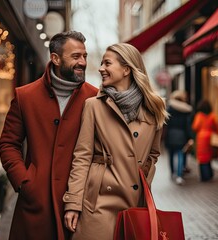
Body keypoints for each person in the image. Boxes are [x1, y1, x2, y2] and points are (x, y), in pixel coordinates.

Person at [0, 31, 98, 240]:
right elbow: (8, 143)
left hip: (80, 206)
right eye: (76, 56)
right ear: (55, 58)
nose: (83, 62)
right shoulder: (25, 96)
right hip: (35, 205)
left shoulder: (95, 97)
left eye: (85, 56)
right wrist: (25, 182)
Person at [63, 43, 168, 240]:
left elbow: (153, 153)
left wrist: (144, 173)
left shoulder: (154, 107)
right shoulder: (93, 106)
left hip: (135, 202)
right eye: (102, 63)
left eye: (107, 63)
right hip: (98, 201)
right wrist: (73, 203)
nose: (101, 68)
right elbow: (82, 156)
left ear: (126, 69)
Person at [164, 90, 193, 184]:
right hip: (182, 135)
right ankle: (179, 175)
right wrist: (190, 137)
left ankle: (172, 172)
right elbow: (188, 125)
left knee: (171, 155)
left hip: (170, 134)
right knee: (181, 154)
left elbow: (165, 124)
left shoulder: (169, 109)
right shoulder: (186, 110)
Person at [192, 99, 218, 182]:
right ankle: (209, 173)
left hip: (201, 138)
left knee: (202, 157)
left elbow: (195, 127)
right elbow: (216, 127)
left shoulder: (199, 115)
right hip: (210, 137)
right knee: (208, 156)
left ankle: (204, 176)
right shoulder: (212, 116)